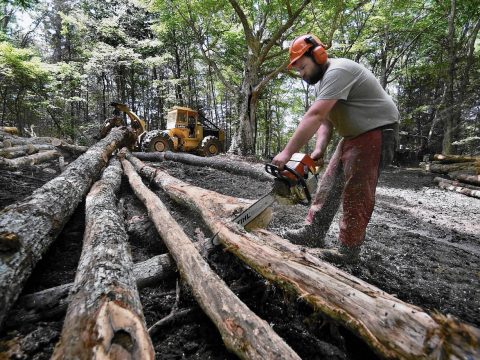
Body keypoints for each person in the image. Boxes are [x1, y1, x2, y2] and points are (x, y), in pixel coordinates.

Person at [272, 34, 399, 263]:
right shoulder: (324, 82)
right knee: (329, 184)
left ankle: (348, 251)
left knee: (356, 192)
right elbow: (326, 120)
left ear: (318, 55)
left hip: (376, 132)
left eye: (303, 68)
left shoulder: (340, 71)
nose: (302, 75)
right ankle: (313, 232)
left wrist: (287, 152)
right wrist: (319, 148)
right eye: (298, 71)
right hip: (352, 136)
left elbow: (315, 114)